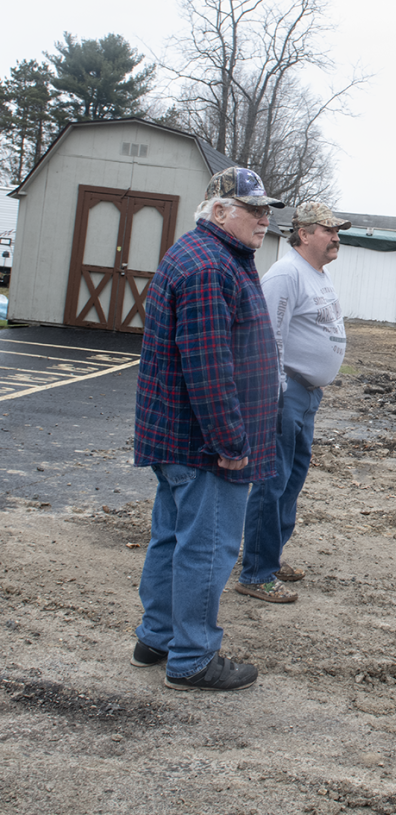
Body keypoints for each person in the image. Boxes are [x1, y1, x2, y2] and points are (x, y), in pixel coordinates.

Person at [131, 166, 284, 692]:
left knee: (173, 538)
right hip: (202, 446)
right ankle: (192, 657)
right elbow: (208, 366)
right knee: (208, 546)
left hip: (181, 439)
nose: (265, 220)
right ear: (220, 211)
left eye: (267, 210)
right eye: (254, 210)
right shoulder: (208, 266)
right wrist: (230, 443)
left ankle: (156, 638)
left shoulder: (212, 257)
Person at [235, 202, 351, 604]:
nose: (336, 237)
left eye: (337, 231)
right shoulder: (285, 274)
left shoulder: (317, 275)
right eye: (328, 230)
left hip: (308, 396)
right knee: (273, 482)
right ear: (303, 233)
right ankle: (256, 573)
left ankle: (270, 556)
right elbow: (268, 338)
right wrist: (277, 391)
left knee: (291, 480)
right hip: (286, 394)